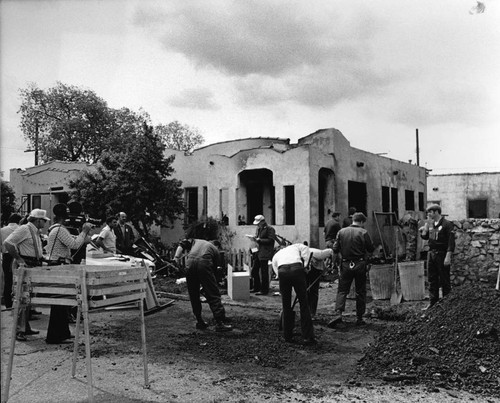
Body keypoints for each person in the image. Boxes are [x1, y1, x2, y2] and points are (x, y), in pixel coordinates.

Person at [45, 204, 93, 344]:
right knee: (59, 301)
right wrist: (84, 231)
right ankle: (55, 335)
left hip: (58, 265)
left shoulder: (55, 229)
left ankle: (62, 332)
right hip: (59, 266)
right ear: (64, 217)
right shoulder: (60, 229)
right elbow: (74, 244)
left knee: (62, 300)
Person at [4, 209, 50, 341]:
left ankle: (25, 327)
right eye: (44, 221)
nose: (45, 223)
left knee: (28, 296)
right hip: (25, 264)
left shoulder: (34, 231)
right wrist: (19, 259)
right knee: (21, 297)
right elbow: (8, 243)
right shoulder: (25, 229)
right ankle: (19, 330)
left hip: (32, 264)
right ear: (38, 220)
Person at [174, 238, 232, 332]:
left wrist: (176, 257)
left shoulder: (196, 241)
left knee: (193, 294)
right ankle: (220, 323)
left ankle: (199, 322)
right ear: (217, 246)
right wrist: (209, 287)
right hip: (204, 264)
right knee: (213, 294)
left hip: (189, 263)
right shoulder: (215, 250)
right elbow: (214, 272)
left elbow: (182, 244)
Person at [328, 212, 374, 328]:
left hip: (345, 264)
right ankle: (359, 318)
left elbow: (335, 249)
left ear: (352, 220)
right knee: (360, 291)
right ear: (362, 222)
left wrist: (334, 264)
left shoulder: (341, 232)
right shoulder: (363, 232)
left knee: (342, 290)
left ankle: (338, 313)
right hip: (360, 264)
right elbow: (370, 248)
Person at [272, 243, 315, 345]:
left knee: (286, 305)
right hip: (297, 269)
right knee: (304, 303)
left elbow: (276, 271)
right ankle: (308, 337)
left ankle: (287, 336)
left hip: (282, 271)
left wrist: (282, 277)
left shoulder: (276, 255)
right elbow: (306, 249)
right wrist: (305, 265)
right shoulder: (296, 246)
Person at [419, 204, 455, 307]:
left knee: (444, 280)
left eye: (430, 212)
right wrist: (423, 231)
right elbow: (426, 237)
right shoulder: (430, 224)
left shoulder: (447, 224)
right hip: (431, 253)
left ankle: (446, 304)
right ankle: (433, 304)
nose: (428, 214)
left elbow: (451, 242)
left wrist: (448, 256)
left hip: (442, 254)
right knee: (432, 279)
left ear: (436, 212)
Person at [250, 215, 276, 295]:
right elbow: (258, 237)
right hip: (258, 251)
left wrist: (260, 240)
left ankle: (264, 290)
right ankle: (256, 287)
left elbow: (271, 240)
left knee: (264, 272)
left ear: (263, 221)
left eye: (259, 223)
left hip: (265, 252)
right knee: (254, 270)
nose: (258, 225)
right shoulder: (258, 228)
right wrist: (255, 238)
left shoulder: (270, 229)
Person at [1, 213, 23, 309]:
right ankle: (21, 305)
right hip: (18, 256)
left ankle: (8, 304)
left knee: (8, 280)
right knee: (21, 280)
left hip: (6, 256)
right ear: (19, 221)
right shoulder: (21, 229)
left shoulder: (2, 230)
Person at [307, 247, 334, 318]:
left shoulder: (311, 252)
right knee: (312, 291)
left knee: (308, 290)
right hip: (311, 269)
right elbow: (330, 251)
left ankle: (309, 311)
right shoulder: (321, 253)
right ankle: (310, 312)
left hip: (308, 268)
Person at [324, 211, 341, 279]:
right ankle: (333, 266)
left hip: (327, 241)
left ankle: (327, 269)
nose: (340, 218)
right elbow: (340, 234)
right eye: (339, 216)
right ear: (336, 216)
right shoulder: (336, 224)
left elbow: (324, 233)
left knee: (328, 256)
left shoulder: (328, 222)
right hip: (332, 241)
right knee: (338, 255)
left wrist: (326, 240)